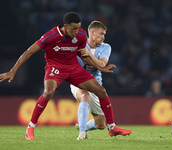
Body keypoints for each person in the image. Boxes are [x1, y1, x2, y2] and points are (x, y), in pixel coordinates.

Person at [0, 12, 132, 140]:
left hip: (74, 68)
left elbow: (82, 55)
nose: (76, 31)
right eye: (73, 28)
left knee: (101, 91)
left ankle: (112, 127)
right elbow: (28, 52)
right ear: (65, 26)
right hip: (55, 67)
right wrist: (13, 70)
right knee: (48, 92)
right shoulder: (50, 36)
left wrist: (100, 67)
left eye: (78, 28)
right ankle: (30, 127)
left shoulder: (81, 35)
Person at [70, 20, 112, 140]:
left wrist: (89, 55)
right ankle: (82, 133)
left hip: (96, 85)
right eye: (101, 34)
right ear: (92, 33)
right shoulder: (79, 45)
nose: (103, 37)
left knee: (101, 124)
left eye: (104, 34)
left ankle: (82, 126)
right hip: (78, 81)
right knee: (85, 94)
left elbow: (102, 65)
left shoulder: (106, 47)